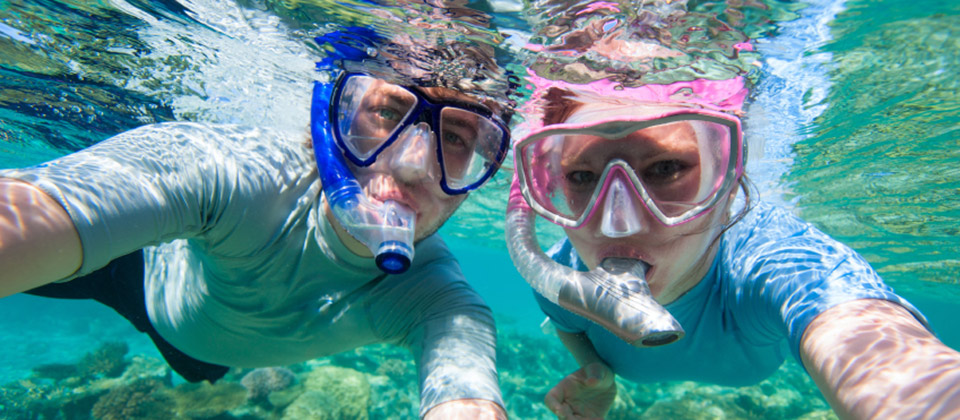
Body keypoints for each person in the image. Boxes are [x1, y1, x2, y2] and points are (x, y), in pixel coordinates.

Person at [0, 26, 515, 419]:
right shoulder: (230, 175)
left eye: (457, 138)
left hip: (203, 359)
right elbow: (33, 209)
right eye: (386, 112)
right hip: (133, 275)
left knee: (201, 371)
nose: (413, 164)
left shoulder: (439, 298)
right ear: (331, 117)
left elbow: (463, 388)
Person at [505, 54, 960, 420]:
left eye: (665, 169)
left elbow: (876, 348)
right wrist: (599, 376)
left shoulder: (777, 261)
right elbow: (569, 325)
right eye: (582, 176)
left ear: (728, 181)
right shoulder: (558, 276)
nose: (616, 224)